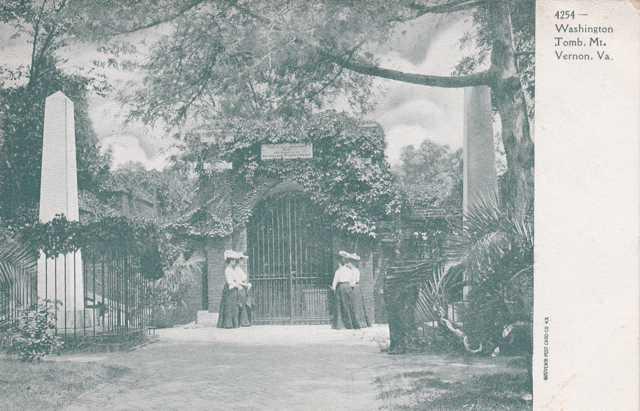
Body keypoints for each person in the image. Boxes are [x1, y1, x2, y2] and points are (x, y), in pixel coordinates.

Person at [331, 250, 370, 329]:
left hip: (346, 287)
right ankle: (353, 323)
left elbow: (335, 282)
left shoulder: (342, 271)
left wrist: (334, 288)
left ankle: (345, 324)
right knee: (350, 306)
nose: (350, 263)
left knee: (346, 306)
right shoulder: (350, 270)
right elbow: (352, 281)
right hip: (350, 287)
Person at [217, 250, 252, 328]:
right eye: (233, 260)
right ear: (230, 261)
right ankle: (228, 324)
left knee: (234, 306)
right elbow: (230, 282)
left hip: (234, 288)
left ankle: (233, 323)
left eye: (234, 260)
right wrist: (237, 285)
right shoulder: (228, 270)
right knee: (229, 306)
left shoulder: (232, 269)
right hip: (230, 289)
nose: (234, 262)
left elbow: (237, 280)